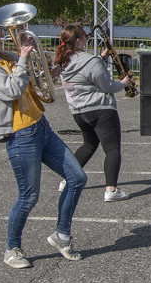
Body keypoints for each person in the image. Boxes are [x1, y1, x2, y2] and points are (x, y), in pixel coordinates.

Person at [0, 13, 87, 269]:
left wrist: (46, 71)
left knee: (77, 177)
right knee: (29, 196)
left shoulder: (6, 58)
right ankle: (12, 248)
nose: (1, 33)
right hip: (20, 134)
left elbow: (30, 83)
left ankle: (62, 236)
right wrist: (22, 58)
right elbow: (11, 90)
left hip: (40, 126)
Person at [55, 25, 132, 202]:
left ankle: (66, 179)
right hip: (100, 109)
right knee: (112, 149)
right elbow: (108, 86)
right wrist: (124, 83)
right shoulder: (91, 62)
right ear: (79, 40)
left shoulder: (64, 61)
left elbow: (83, 70)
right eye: (84, 36)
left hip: (78, 110)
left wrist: (101, 57)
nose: (86, 38)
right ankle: (111, 190)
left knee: (89, 145)